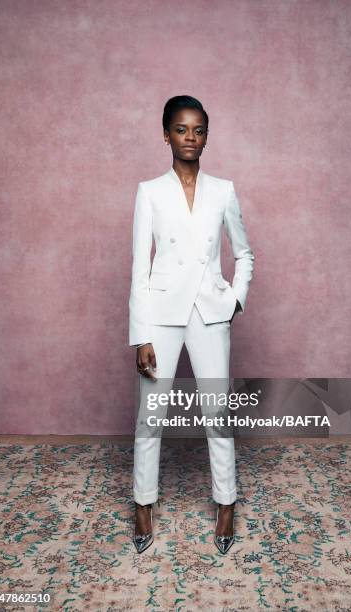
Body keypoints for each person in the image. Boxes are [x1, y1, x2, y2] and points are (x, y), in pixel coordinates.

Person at [129, 95, 255, 553]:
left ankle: (226, 503)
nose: (190, 138)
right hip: (160, 316)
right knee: (152, 415)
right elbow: (139, 268)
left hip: (209, 313)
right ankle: (143, 503)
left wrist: (234, 299)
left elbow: (244, 252)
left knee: (217, 413)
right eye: (181, 129)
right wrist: (139, 335)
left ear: (207, 136)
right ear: (166, 134)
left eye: (198, 130)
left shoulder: (223, 189)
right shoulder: (149, 191)